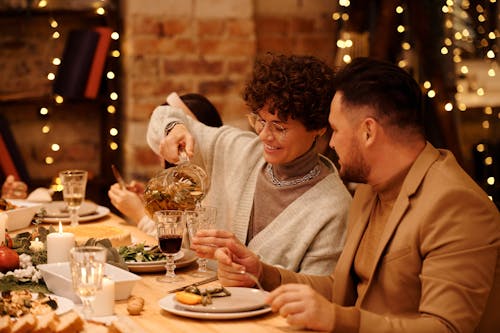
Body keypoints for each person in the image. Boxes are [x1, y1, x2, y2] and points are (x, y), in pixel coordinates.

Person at [194, 58, 500, 332]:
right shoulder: (370, 188)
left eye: (335, 130)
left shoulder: (456, 205)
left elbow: (445, 328)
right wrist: (262, 272)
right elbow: (341, 289)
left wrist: (337, 319)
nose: (331, 142)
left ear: (368, 132)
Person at [146, 53, 352, 275]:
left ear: (318, 127)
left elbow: (314, 295)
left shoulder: (333, 208)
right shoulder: (238, 150)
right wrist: (174, 129)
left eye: (279, 128)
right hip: (192, 303)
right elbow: (163, 114)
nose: (264, 136)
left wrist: (258, 272)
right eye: (260, 121)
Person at [108, 92, 223, 236]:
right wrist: (154, 201)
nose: (160, 155)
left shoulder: (211, 190)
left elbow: (182, 246)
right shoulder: (190, 184)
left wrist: (139, 214)